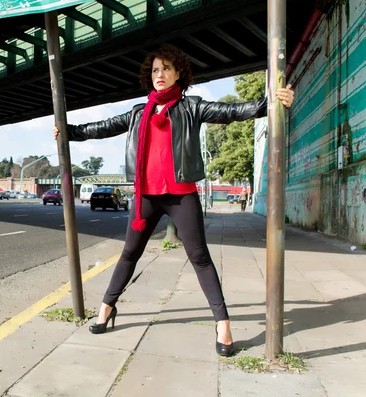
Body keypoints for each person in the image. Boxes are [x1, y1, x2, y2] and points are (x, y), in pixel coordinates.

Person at [52, 44, 294, 357]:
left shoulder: (191, 106)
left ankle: (223, 324)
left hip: (181, 196)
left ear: (178, 72)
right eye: (155, 70)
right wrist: (69, 131)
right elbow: (104, 127)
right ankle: (107, 307)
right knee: (129, 254)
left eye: (166, 68)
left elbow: (231, 112)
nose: (160, 75)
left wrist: (270, 103)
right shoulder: (140, 112)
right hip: (146, 197)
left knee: (200, 258)